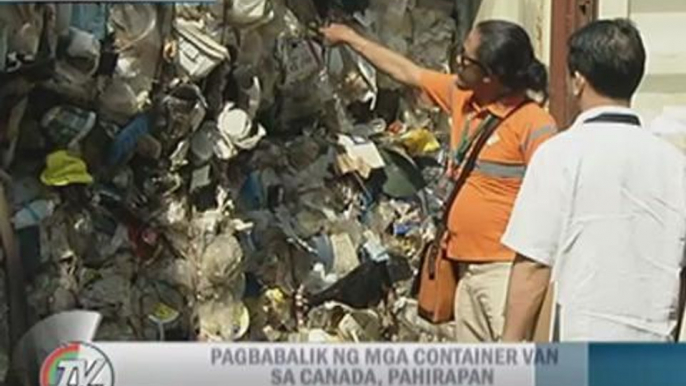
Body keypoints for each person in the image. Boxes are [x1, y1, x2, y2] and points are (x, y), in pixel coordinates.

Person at [321, 20, 557, 342]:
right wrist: (349, 37)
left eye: (466, 58)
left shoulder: (533, 124)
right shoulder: (464, 98)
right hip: (464, 269)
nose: (458, 61)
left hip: (504, 274)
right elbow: (407, 72)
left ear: (491, 74)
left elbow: (553, 201)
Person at [501, 19, 686, 342]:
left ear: (578, 81)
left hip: (582, 347)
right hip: (654, 350)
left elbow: (533, 265)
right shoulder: (675, 164)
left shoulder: (559, 155)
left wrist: (509, 349)